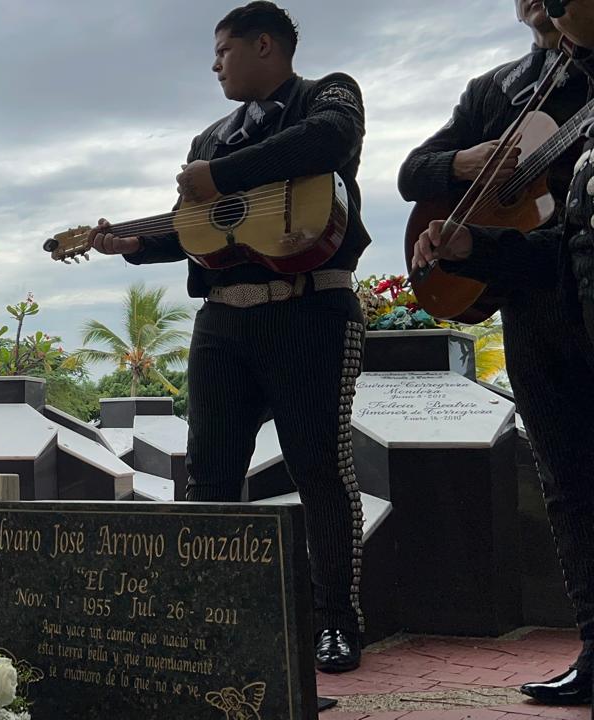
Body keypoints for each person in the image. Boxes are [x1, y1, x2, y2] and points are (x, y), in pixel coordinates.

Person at [89, 1, 370, 672]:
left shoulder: (327, 94)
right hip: (222, 320)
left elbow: (325, 143)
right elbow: (210, 231)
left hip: (310, 311)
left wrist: (222, 177)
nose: (214, 65)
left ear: (264, 45)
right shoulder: (208, 139)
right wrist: (134, 244)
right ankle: (216, 614)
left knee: (319, 468)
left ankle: (336, 620)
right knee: (209, 474)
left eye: (223, 51)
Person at [411, 0, 594, 703]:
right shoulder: (498, 92)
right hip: (532, 297)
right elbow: (411, 175)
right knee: (566, 481)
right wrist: (466, 171)